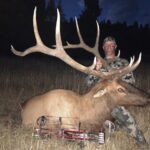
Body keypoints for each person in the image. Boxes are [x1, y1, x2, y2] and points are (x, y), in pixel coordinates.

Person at [85, 36, 147, 145]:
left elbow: (130, 84)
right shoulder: (98, 63)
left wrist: (117, 79)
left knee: (118, 111)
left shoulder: (123, 63)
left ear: (115, 46)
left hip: (116, 100)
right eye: (107, 45)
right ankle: (110, 127)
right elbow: (88, 84)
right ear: (103, 47)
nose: (109, 47)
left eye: (112, 44)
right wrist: (95, 70)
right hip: (99, 101)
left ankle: (141, 140)